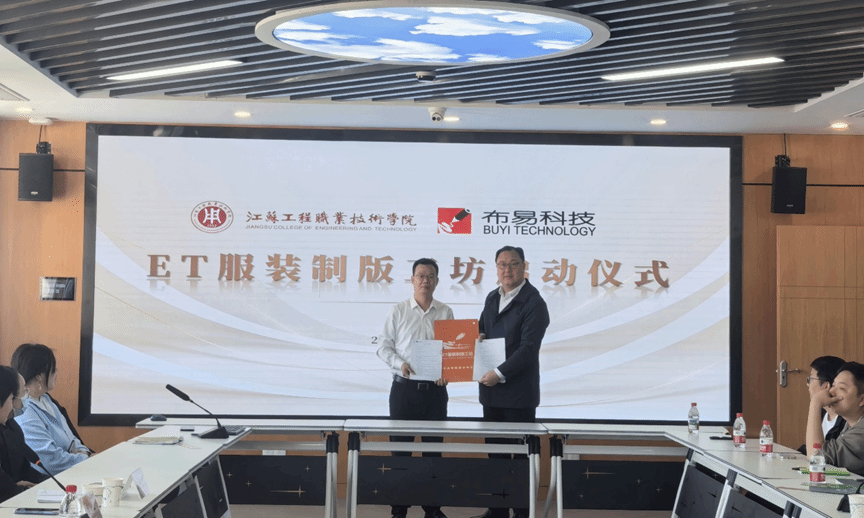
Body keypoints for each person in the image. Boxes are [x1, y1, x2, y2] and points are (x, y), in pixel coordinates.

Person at [474, 246, 550, 518]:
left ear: (524, 266)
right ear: (496, 267)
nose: (507, 270)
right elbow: (482, 330)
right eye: (502, 264)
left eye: (513, 264)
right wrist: (478, 339)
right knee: (495, 456)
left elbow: (528, 349)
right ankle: (497, 511)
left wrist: (498, 373)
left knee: (520, 459)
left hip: (518, 396)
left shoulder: (534, 303)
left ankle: (521, 512)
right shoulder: (492, 297)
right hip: (491, 393)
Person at [376, 258, 453, 518]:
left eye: (430, 276)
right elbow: (383, 347)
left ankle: (433, 509)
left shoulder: (445, 312)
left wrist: (447, 372)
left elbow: (451, 351)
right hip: (404, 391)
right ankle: (399, 510)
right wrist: (401, 364)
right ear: (412, 280)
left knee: (433, 452)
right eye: (420, 276)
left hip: (435, 393)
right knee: (401, 452)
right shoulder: (398, 311)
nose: (425, 281)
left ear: (437, 281)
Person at [12, 343, 92, 475]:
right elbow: (51, 461)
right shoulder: (24, 411)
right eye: (53, 369)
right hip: (47, 481)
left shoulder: (46, 399)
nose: (56, 373)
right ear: (39, 376)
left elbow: (71, 439)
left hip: (71, 471)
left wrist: (85, 453)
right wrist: (87, 458)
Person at [806, 361, 864, 475]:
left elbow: (816, 456)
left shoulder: (861, 431)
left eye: (841, 388)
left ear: (862, 400)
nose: (831, 391)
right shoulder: (851, 423)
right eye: (833, 385)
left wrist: (815, 403)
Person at [0, 366, 46, 502]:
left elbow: (23, 468)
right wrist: (15, 489)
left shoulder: (12, 427)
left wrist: (47, 483)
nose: (11, 406)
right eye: (11, 399)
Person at [797, 356, 846, 455]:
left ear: (826, 386)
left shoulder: (846, 421)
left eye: (810, 379)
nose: (808, 384)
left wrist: (815, 403)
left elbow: (816, 454)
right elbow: (808, 448)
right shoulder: (822, 412)